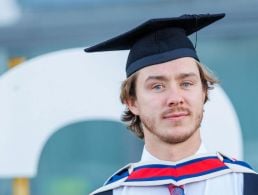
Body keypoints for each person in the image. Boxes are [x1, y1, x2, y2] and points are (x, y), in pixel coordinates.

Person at [85, 13, 258, 195]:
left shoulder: (248, 186)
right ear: (132, 102)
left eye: (186, 83)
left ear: (203, 92)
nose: (175, 98)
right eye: (157, 86)